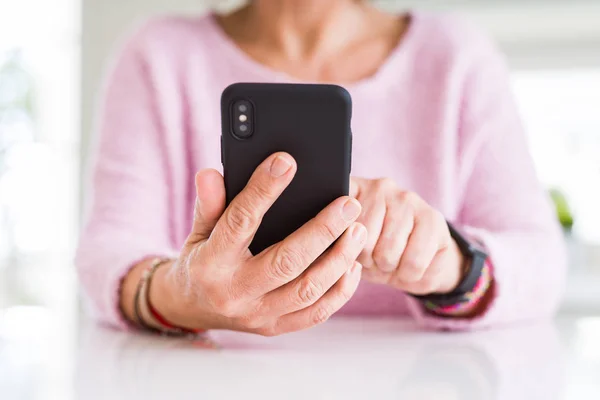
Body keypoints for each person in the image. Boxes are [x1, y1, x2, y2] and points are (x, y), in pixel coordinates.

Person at [75, 0, 567, 336]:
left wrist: (451, 266)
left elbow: (541, 263)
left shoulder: (456, 57)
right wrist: (180, 294)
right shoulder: (158, 56)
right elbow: (108, 253)